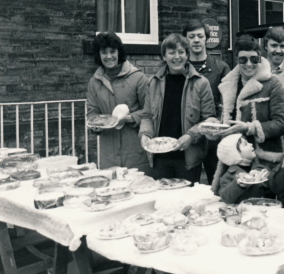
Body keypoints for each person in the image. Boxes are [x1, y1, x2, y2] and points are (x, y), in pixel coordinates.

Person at [210, 34, 284, 193]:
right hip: (234, 162)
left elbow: (282, 123)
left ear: (260, 58)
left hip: (264, 162)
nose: (248, 64)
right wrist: (215, 126)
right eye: (243, 59)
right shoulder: (228, 84)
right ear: (236, 60)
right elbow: (228, 120)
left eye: (254, 59)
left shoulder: (272, 84)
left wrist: (249, 128)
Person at [139, 33, 218, 181]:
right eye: (171, 52)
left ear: (187, 55)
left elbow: (210, 120)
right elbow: (147, 116)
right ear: (164, 56)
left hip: (188, 159)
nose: (177, 57)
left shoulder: (201, 83)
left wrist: (191, 135)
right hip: (159, 158)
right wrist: (145, 134)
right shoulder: (153, 83)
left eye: (181, 52)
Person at [86, 32, 150, 174]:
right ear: (99, 55)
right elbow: (92, 111)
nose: (109, 56)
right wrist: (95, 125)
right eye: (104, 52)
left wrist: (130, 118)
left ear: (119, 52)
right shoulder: (94, 82)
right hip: (108, 153)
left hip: (135, 151)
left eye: (113, 51)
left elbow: (150, 111)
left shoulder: (138, 78)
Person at [183, 19, 231, 184]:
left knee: (216, 184)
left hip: (213, 138)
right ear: (186, 40)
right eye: (191, 36)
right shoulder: (179, 68)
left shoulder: (221, 68)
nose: (196, 40)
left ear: (206, 39)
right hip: (188, 137)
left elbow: (228, 103)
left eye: (200, 36)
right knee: (188, 185)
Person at [215, 133, 277, 204]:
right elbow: (225, 197)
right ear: (235, 154)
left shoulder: (261, 168)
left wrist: (269, 177)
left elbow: (274, 188)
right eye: (245, 144)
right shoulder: (229, 176)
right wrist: (238, 185)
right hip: (243, 212)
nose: (251, 144)